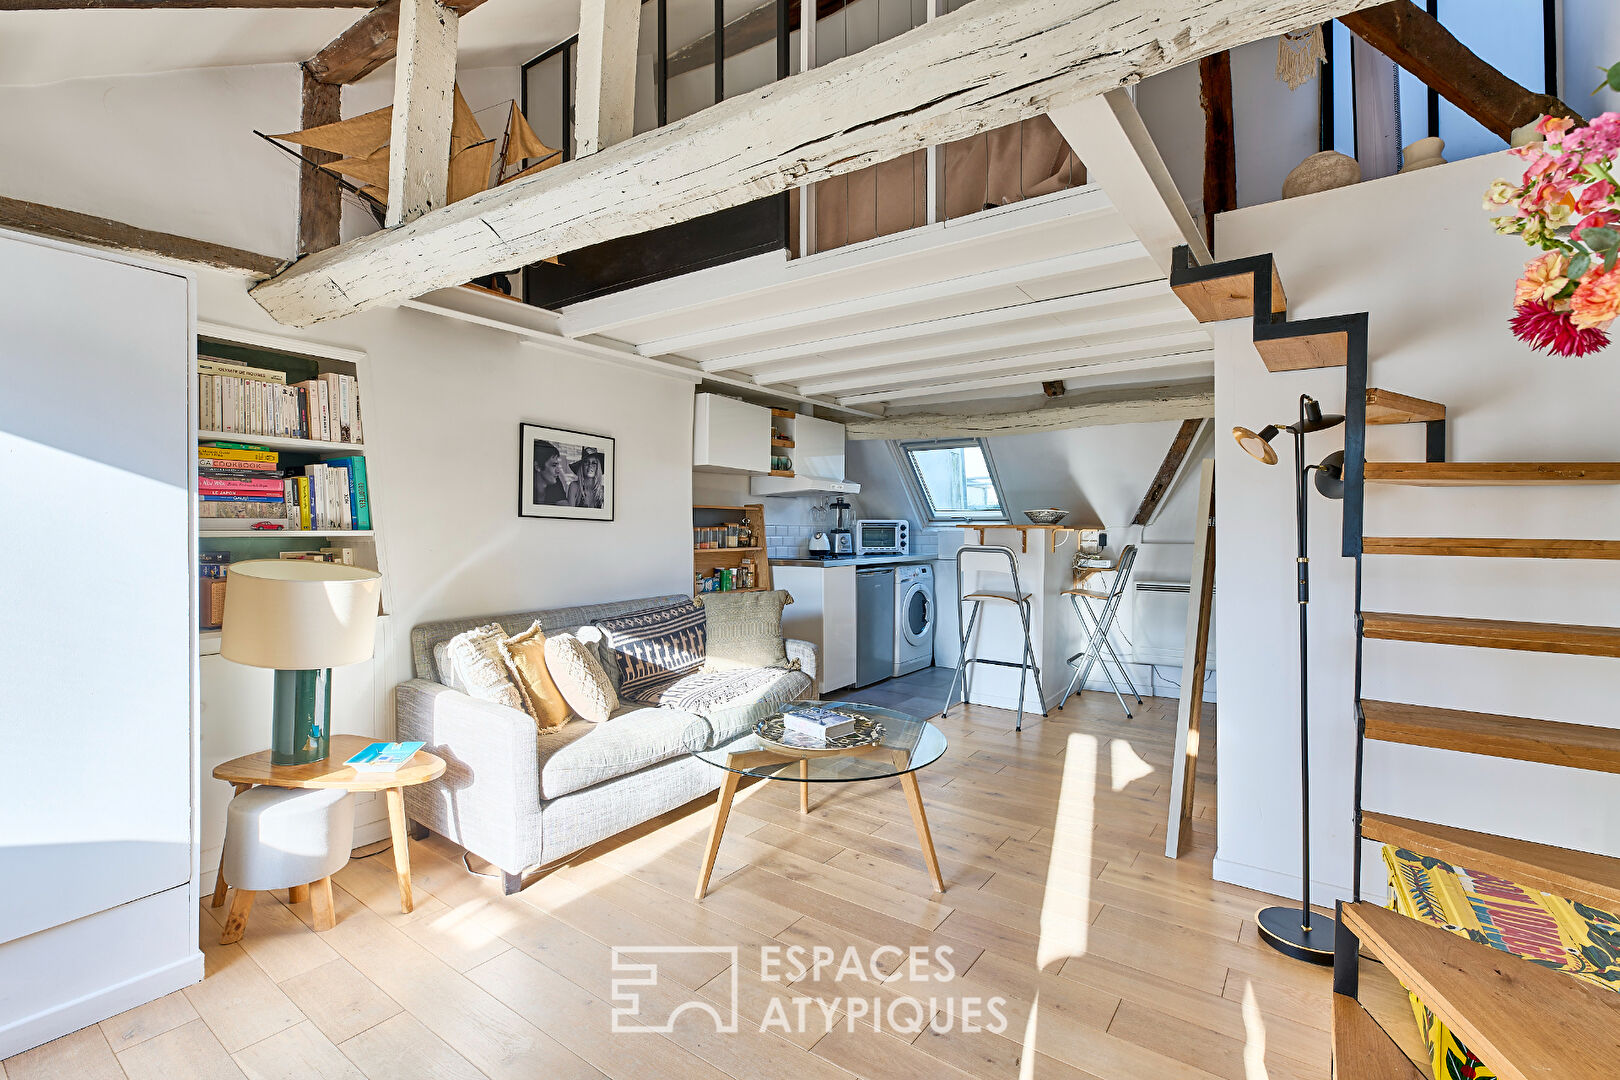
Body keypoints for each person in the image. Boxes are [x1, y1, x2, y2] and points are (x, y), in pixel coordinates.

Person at [532, 440, 580, 506]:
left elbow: (566, 509)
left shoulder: (554, 481)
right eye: (554, 465)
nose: (558, 471)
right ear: (537, 466)